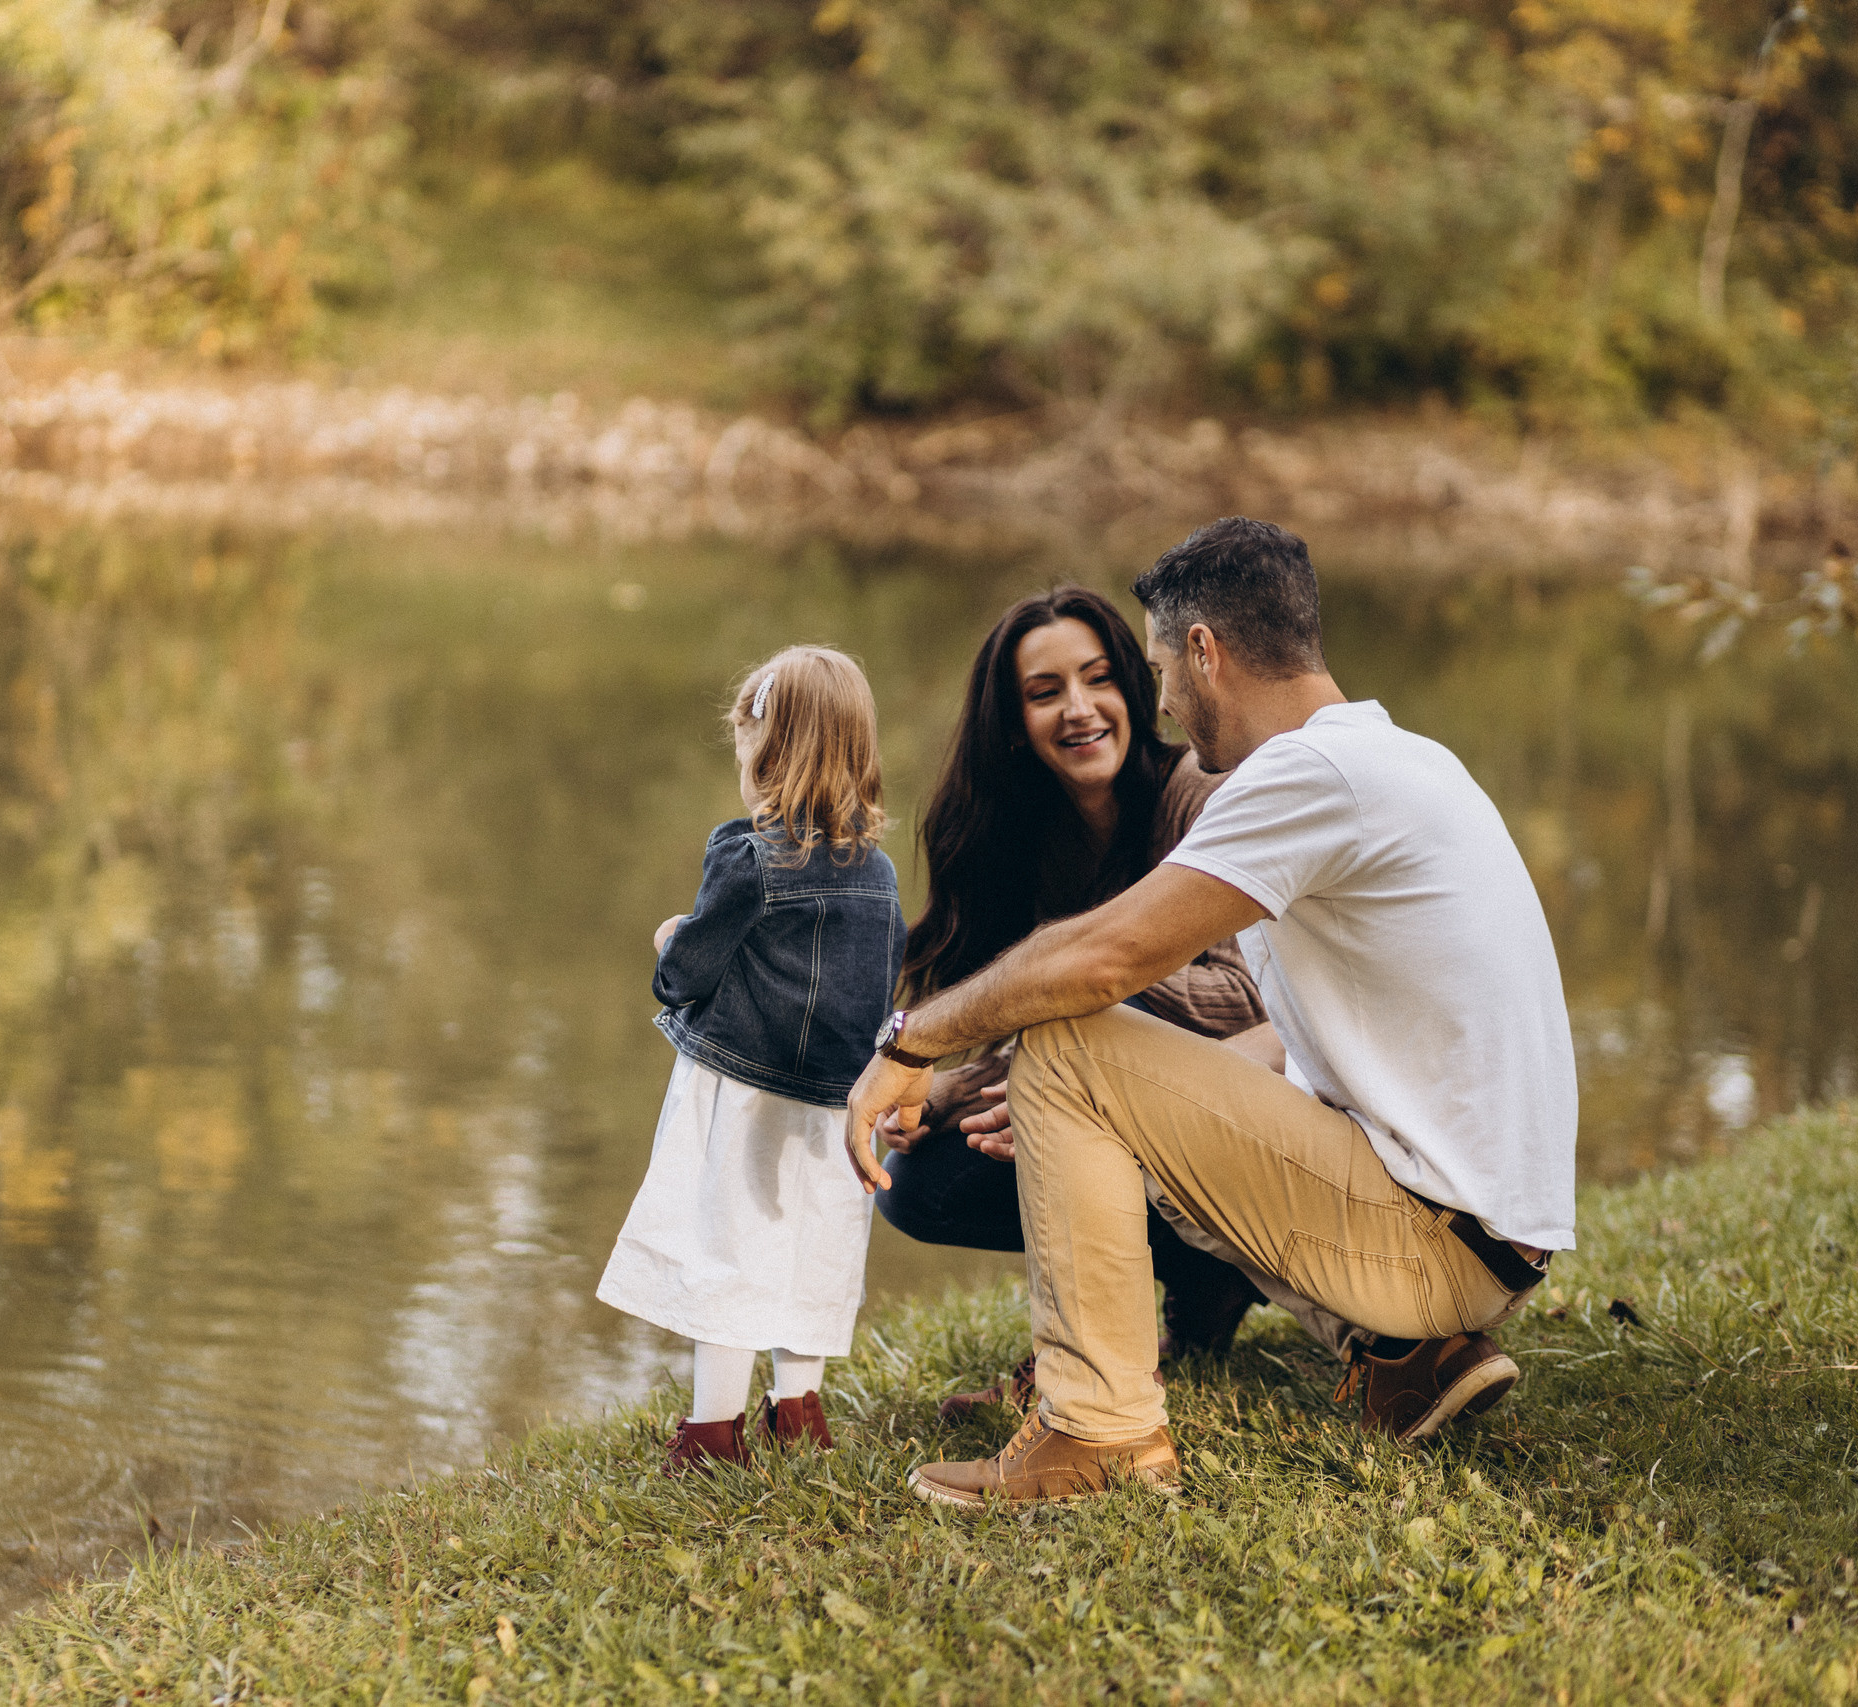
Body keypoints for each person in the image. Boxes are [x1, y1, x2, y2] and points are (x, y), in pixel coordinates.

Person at [843, 518, 1578, 1507]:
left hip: (1434, 1243)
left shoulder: (1304, 774)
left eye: (1154, 668)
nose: (1163, 702)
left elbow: (1104, 959)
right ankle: (1400, 1354)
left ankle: (1097, 1431)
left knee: (1070, 1045)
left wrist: (916, 1042)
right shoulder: (1395, 755)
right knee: (1132, 1089)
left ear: (1203, 650)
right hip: (1471, 1236)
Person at [873, 588, 1365, 1414]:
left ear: (1135, 688)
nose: (1078, 709)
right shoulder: (1012, 834)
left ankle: (1128, 1333)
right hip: (1123, 1092)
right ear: (1011, 719)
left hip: (1259, 1101)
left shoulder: (1199, 794)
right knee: (922, 1177)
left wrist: (1086, 965)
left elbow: (1246, 994)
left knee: (1058, 1089)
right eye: (1044, 692)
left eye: (1097, 678)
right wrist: (951, 1084)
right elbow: (1021, 1016)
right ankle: (1185, 1287)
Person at [598, 646, 907, 1472]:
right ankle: (797, 1410)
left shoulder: (748, 858)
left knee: (728, 1254)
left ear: (766, 756)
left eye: (745, 748)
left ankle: (712, 1432)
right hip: (836, 1110)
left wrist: (668, 942)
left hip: (743, 1099)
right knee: (814, 1254)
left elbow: (691, 970)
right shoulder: (880, 876)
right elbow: (884, 996)